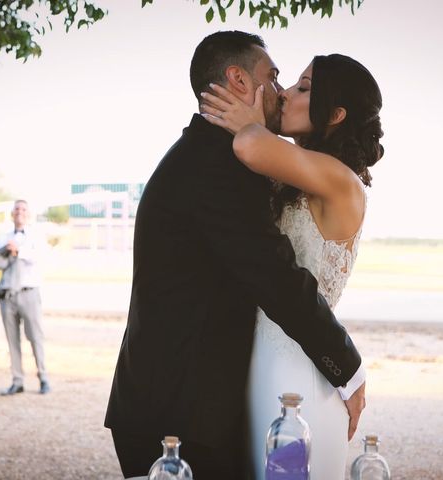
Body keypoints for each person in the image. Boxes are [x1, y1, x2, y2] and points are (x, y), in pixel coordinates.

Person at [105, 32, 365, 480]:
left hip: (203, 398)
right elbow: (274, 274)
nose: (282, 92)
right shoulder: (217, 164)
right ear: (239, 81)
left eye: (299, 87)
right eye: (276, 78)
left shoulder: (220, 156)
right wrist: (350, 370)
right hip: (178, 410)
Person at [201, 53, 384, 478]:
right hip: (256, 363)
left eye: (302, 89)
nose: (284, 94)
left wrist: (249, 117)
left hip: (297, 372)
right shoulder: (295, 174)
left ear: (335, 114)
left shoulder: (340, 178)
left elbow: (248, 143)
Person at [0, 200, 50, 396]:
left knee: (35, 337)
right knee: (12, 340)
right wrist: (5, 251)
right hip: (7, 294)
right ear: (12, 214)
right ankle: (17, 380)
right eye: (16, 210)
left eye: (23, 209)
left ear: (28, 214)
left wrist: (18, 250)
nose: (19, 212)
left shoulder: (36, 236)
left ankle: (43, 377)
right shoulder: (3, 237)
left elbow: (38, 256)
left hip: (29, 292)